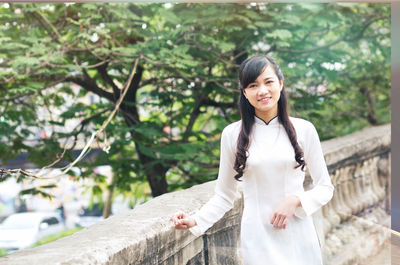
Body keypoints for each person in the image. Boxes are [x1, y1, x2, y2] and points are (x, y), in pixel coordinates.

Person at [172, 55, 334, 265]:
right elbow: (224, 195)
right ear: (245, 92)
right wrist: (195, 220)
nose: (262, 91)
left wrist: (296, 200)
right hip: (258, 238)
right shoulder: (232, 134)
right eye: (253, 85)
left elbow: (325, 187)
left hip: (298, 234)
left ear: (281, 84)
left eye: (268, 82)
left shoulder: (304, 129)